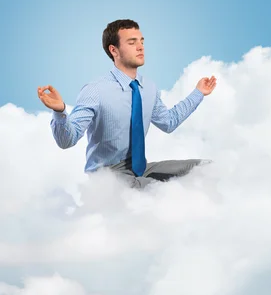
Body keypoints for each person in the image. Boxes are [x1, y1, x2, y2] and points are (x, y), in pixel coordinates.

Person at [37, 19, 217, 188]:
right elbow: (66, 141)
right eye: (132, 43)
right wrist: (60, 111)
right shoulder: (95, 90)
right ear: (114, 50)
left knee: (206, 168)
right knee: (161, 193)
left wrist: (198, 93)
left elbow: (168, 122)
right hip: (107, 176)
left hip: (140, 168)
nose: (140, 47)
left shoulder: (149, 87)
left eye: (142, 42)